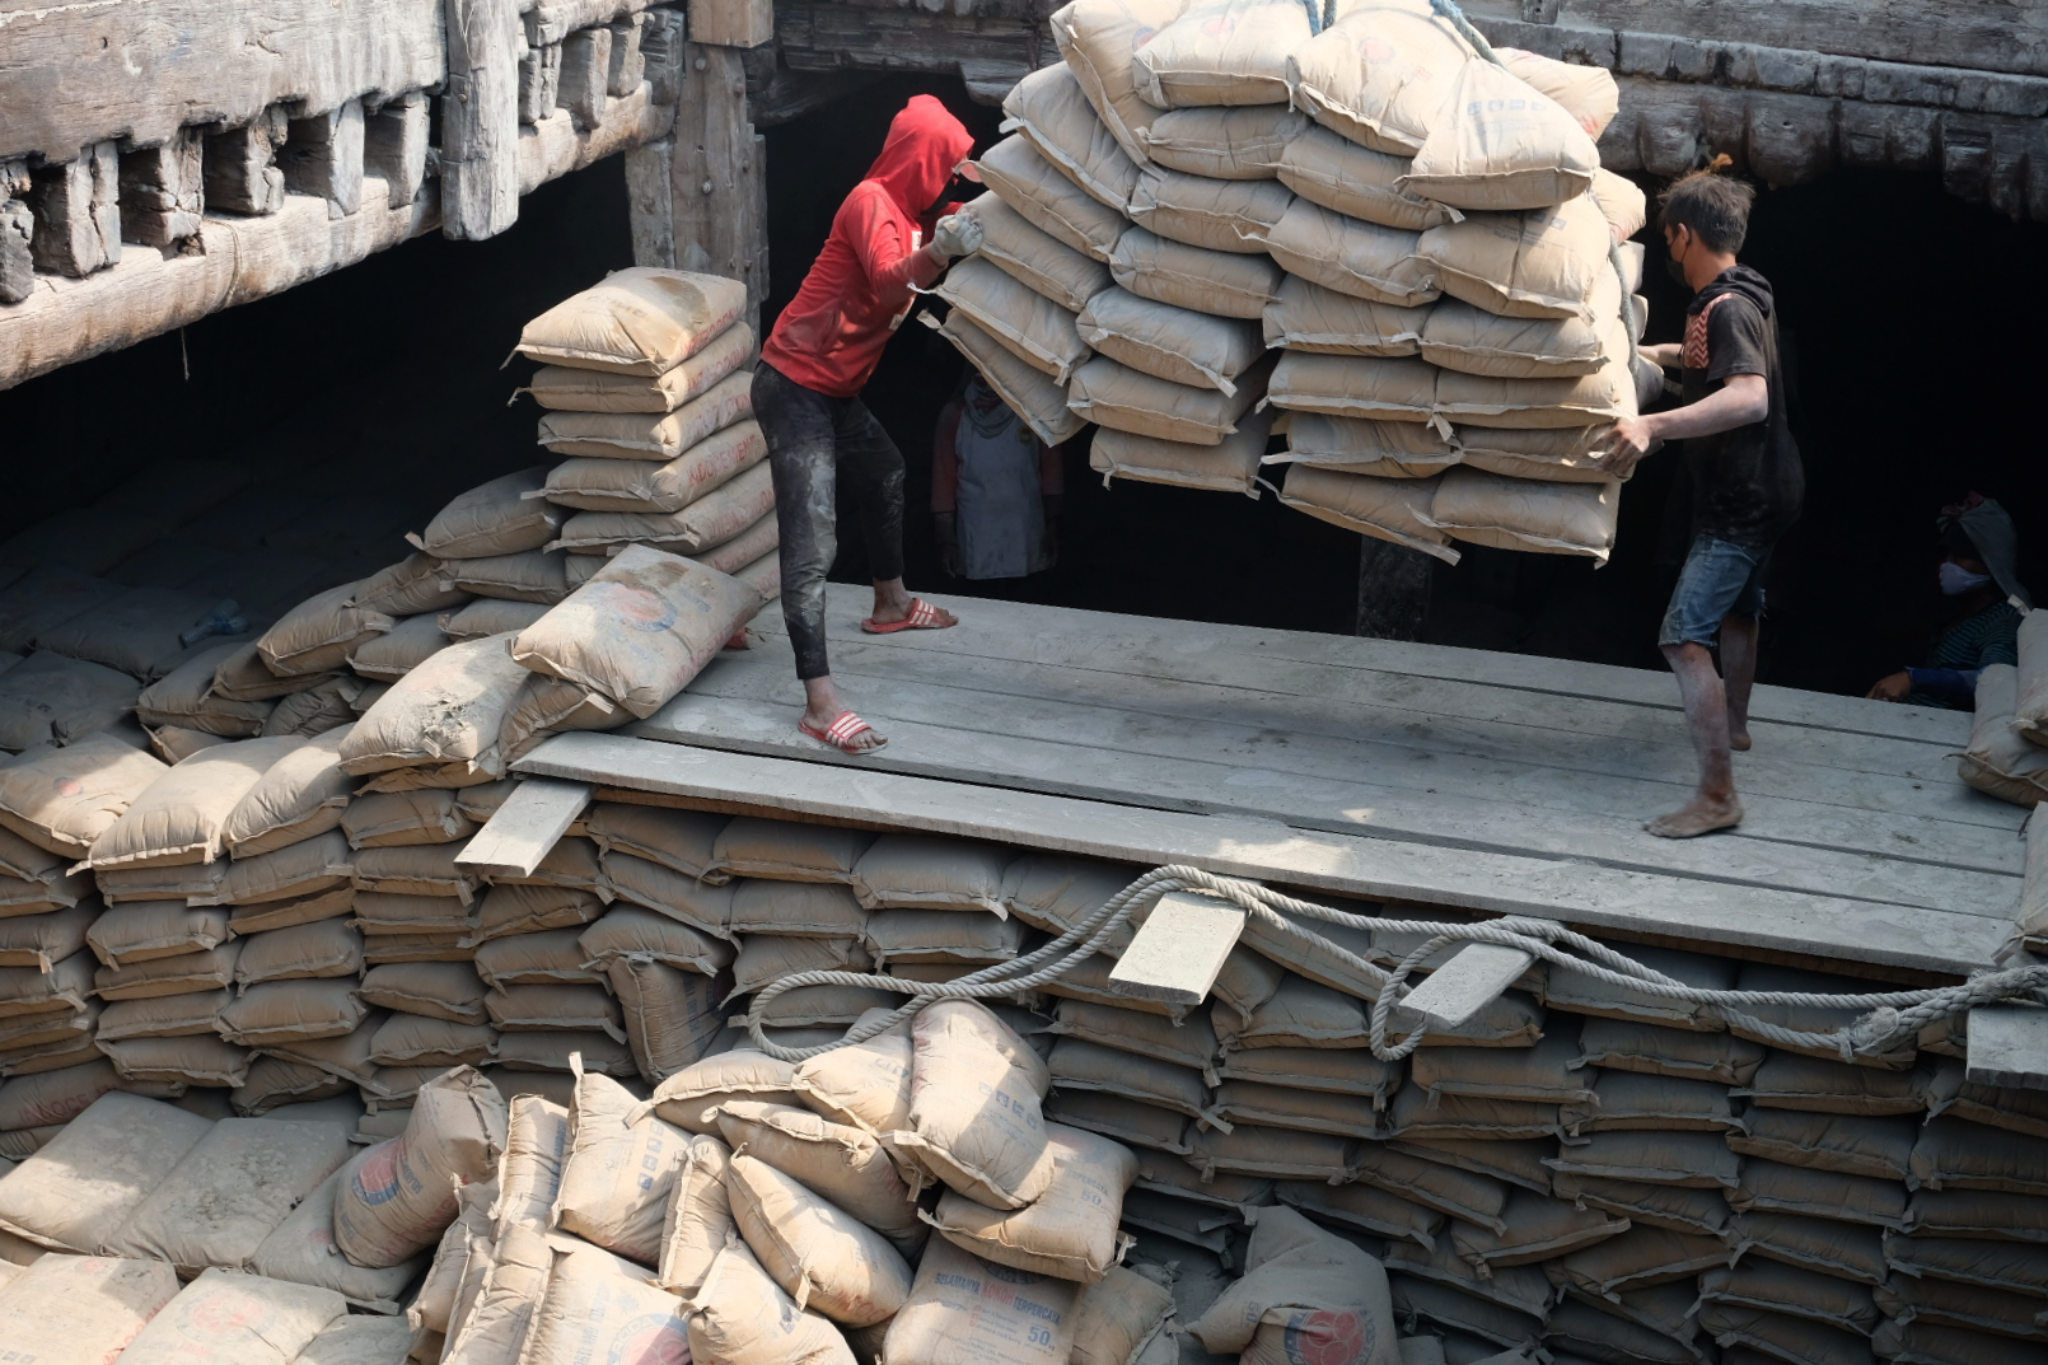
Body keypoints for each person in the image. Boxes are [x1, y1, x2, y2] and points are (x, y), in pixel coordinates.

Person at [753, 95, 984, 755]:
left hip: (837, 392)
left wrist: (998, 199)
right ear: (922, 165)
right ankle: (819, 701)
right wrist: (942, 250)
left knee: (885, 472)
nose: (949, 183)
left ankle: (891, 604)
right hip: (793, 388)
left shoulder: (915, 214)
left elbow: (963, 206)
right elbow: (889, 283)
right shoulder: (870, 204)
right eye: (945, 169)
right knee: (811, 545)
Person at [1595, 163, 1803, 839]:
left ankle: (1717, 795)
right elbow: (1709, 361)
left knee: (1685, 638)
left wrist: (1651, 424)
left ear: (1684, 235)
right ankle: (1734, 726)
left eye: (1669, 238)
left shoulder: (1728, 307)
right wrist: (1651, 353)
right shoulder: (1743, 294)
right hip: (1772, 485)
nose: (1667, 250)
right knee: (1740, 611)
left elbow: (1748, 395)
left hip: (1741, 499)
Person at [1867, 495, 2029, 707]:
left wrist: (1914, 679)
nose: (1947, 565)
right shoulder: (1960, 617)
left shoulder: (2003, 620)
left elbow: (1996, 682)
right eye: (1946, 555)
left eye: (1961, 556)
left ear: (1990, 562)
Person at [931, 372, 1066, 584]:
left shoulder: (1034, 411)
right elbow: (943, 483)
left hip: (1027, 531)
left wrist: (1052, 527)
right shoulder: (954, 415)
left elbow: (1051, 474)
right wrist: (947, 542)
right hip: (977, 534)